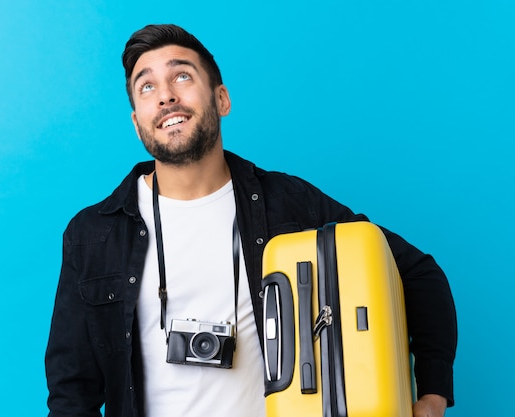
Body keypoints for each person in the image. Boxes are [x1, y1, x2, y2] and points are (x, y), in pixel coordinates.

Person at [45, 24, 457, 417]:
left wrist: (433, 394)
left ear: (221, 99)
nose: (165, 96)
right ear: (137, 123)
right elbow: (71, 393)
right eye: (147, 86)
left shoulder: (289, 203)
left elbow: (419, 274)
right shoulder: (94, 234)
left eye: (182, 77)